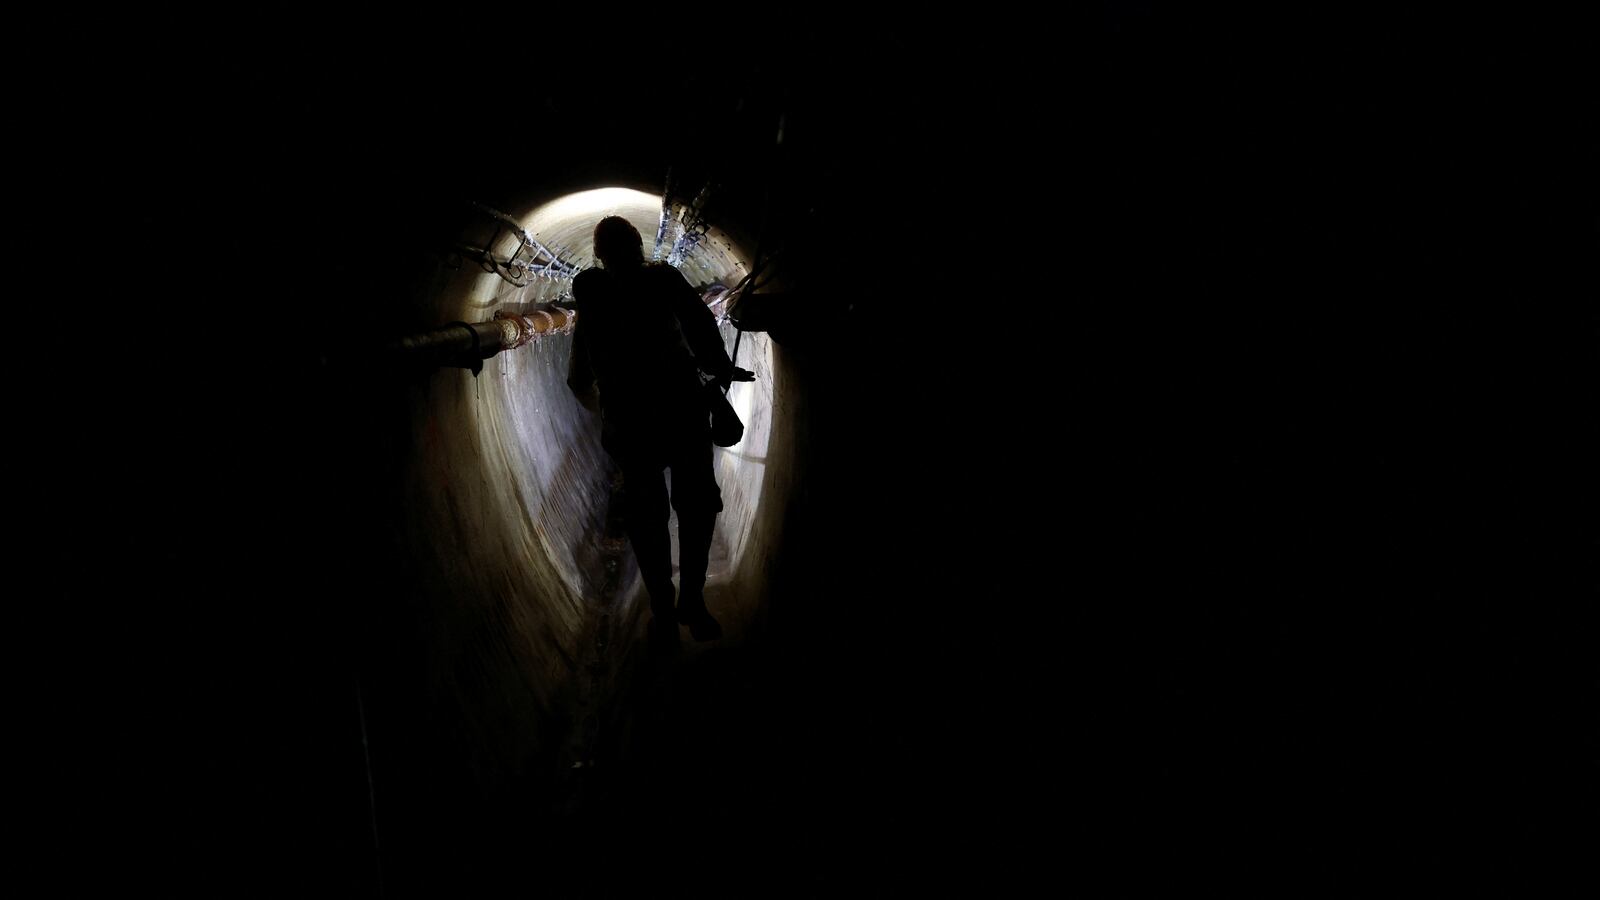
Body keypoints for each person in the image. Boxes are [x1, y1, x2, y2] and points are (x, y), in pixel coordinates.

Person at [567, 216, 753, 641]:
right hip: (681, 414)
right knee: (697, 509)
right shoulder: (663, 281)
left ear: (599, 254)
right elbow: (702, 331)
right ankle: (693, 603)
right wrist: (722, 370)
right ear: (639, 246)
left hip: (631, 427)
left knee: (647, 520)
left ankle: (664, 615)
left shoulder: (593, 296)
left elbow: (580, 374)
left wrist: (605, 415)